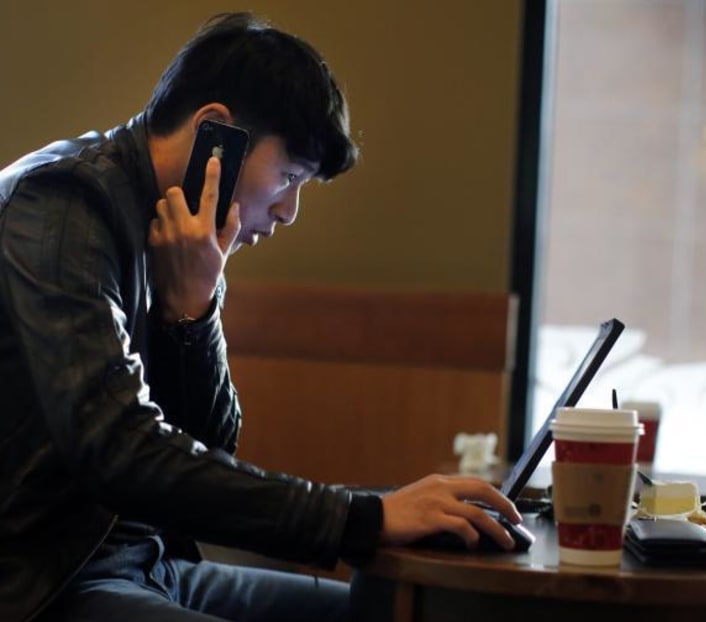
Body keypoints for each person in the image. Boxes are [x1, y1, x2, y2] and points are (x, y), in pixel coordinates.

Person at [0, 12, 522, 622]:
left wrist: (193, 313)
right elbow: (116, 450)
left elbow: (209, 450)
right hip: (46, 583)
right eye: (290, 175)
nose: (289, 210)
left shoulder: (172, 238)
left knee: (382, 611)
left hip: (144, 565)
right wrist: (363, 518)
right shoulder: (61, 207)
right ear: (214, 133)